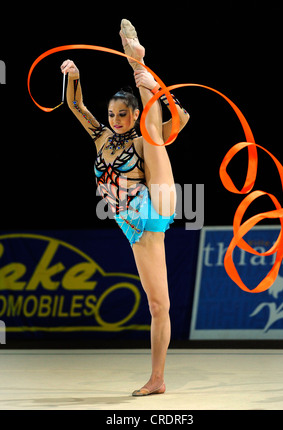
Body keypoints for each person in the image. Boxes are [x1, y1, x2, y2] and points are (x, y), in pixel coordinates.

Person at [60, 19, 189, 396]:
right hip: (133, 225)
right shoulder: (100, 137)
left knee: (154, 136)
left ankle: (139, 69)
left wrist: (161, 96)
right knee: (158, 305)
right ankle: (158, 378)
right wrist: (73, 74)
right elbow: (74, 104)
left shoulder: (139, 136)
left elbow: (181, 119)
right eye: (112, 114)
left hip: (155, 204)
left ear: (131, 114)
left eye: (122, 114)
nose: (115, 120)